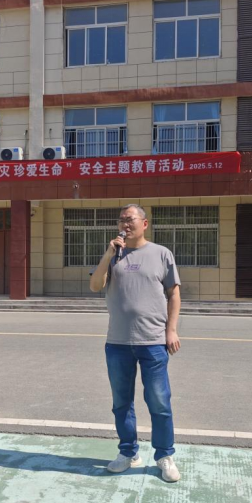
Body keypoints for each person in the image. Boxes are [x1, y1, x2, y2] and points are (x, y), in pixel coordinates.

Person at [89, 204, 182, 482]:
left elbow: (174, 294)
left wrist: (171, 330)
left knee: (159, 401)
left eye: (130, 219)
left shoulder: (161, 254)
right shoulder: (113, 255)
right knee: (121, 402)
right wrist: (108, 254)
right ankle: (128, 452)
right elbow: (95, 286)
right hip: (118, 342)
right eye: (121, 220)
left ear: (145, 223)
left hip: (153, 342)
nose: (125, 224)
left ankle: (164, 456)